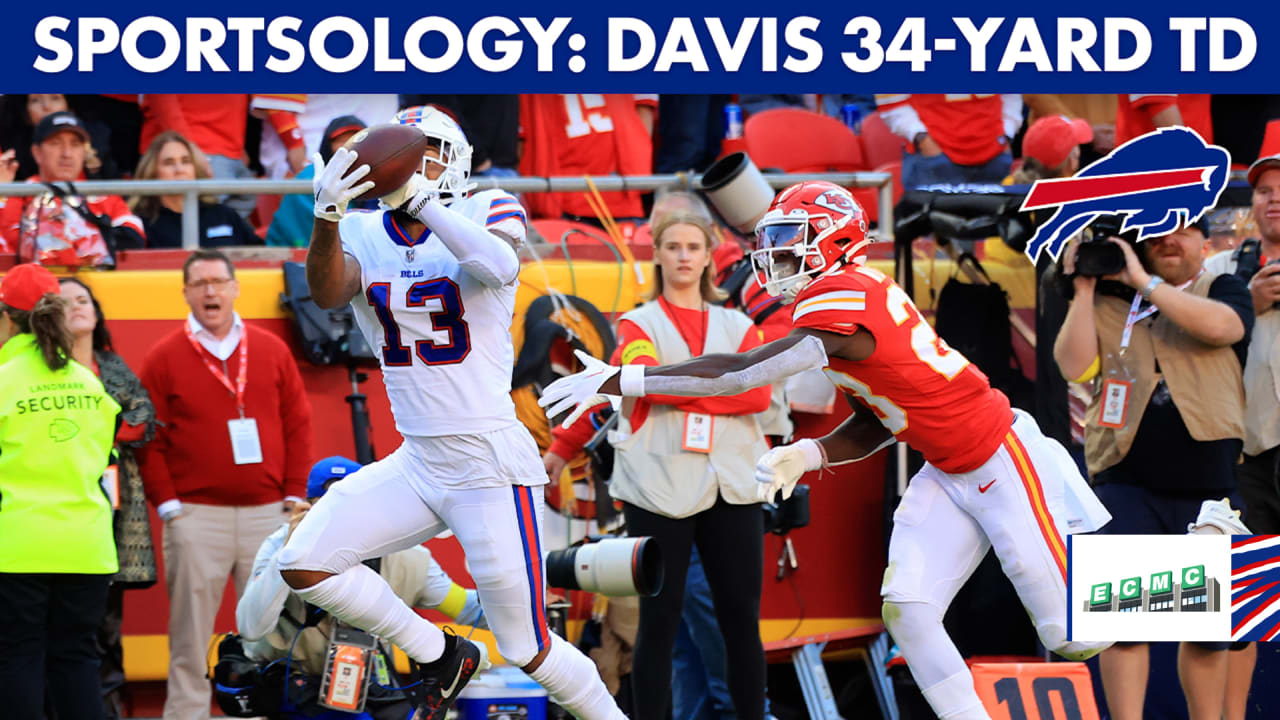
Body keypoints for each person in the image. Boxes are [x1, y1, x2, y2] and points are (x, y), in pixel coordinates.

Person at [540, 180, 1115, 720]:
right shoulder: (846, 295)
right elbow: (881, 417)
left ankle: (1203, 565)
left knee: (1077, 633)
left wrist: (627, 380)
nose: (776, 254)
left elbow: (740, 375)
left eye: (792, 239)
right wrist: (811, 453)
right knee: (908, 612)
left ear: (835, 240)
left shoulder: (839, 297)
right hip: (945, 468)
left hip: (999, 455)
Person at [282, 104, 626, 720]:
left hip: (487, 463)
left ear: (455, 160)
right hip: (417, 459)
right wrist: (328, 219)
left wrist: (420, 201)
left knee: (527, 646)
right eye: (403, 155)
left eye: (428, 152)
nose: (413, 166)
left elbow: (497, 265)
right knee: (303, 562)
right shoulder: (363, 230)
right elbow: (329, 291)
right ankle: (440, 653)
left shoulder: (485, 204)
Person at [544, 209, 773, 720]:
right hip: (659, 490)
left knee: (742, 624)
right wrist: (720, 385)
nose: (684, 256)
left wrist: (672, 389)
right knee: (658, 623)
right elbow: (644, 377)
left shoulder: (740, 324)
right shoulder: (636, 322)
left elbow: (758, 396)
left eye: (694, 246)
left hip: (734, 487)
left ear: (710, 256)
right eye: (674, 247)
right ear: (659, 254)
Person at [1055, 220, 1253, 720]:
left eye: (1184, 232)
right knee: (1124, 626)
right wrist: (1083, 289)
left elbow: (1224, 328)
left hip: (1211, 483)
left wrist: (1145, 282)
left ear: (1206, 246)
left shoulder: (1223, 287)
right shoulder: (1108, 300)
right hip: (1125, 478)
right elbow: (1072, 366)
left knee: (1209, 635)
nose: (1171, 240)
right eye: (1160, 231)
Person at [138, 248, 314, 720]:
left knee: (271, 632)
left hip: (268, 514)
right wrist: (170, 506)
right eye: (200, 283)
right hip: (197, 518)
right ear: (186, 294)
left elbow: (297, 423)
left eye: (219, 281)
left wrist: (294, 495)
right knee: (190, 637)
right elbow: (147, 438)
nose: (210, 291)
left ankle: (268, 711)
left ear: (236, 288)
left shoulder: (270, 350)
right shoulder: (164, 357)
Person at [236, 456, 486, 720]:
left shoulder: (407, 555)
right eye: (328, 511)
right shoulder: (280, 547)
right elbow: (251, 628)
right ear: (308, 510)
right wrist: (289, 554)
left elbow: (465, 608)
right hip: (299, 685)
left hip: (373, 686)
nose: (342, 522)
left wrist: (516, 601)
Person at [0, 264, 122, 720]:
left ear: (7, 318)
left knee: (18, 658)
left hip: (17, 545)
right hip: (86, 547)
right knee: (77, 661)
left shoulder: (5, 381)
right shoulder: (88, 381)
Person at [60, 277, 158, 720]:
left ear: (96, 312)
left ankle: (108, 707)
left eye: (83, 300)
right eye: (64, 302)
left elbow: (143, 417)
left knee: (107, 620)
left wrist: (94, 435)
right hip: (58, 509)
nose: (76, 308)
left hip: (116, 513)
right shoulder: (43, 371)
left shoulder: (112, 365)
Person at [0, 111, 145, 265]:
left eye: (75, 144)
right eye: (56, 143)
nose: (67, 153)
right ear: (37, 153)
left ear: (84, 152)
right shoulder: (17, 195)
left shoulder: (102, 194)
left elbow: (135, 237)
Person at [131, 131, 262, 248]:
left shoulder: (223, 215)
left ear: (195, 169)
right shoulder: (140, 223)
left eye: (186, 161)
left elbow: (260, 257)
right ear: (153, 173)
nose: (180, 170)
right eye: (169, 163)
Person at [138, 94, 255, 218]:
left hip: (229, 151)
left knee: (224, 227)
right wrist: (188, 149)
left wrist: (237, 146)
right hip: (196, 149)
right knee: (195, 226)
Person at [875, 94, 1023, 188]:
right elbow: (891, 102)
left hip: (995, 152)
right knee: (936, 236)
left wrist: (1007, 133)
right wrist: (922, 139)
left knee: (997, 236)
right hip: (935, 157)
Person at [266, 115, 371, 247]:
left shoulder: (380, 174)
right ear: (327, 145)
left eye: (355, 140)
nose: (348, 145)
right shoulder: (309, 178)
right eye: (340, 141)